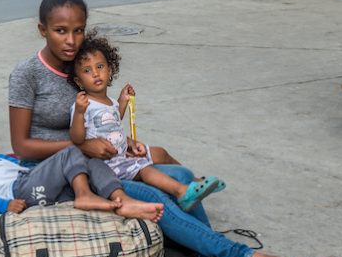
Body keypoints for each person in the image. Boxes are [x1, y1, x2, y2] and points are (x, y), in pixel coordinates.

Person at [8, 0, 334, 257]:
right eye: (60, 31)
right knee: (156, 196)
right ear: (42, 30)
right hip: (60, 173)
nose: (70, 41)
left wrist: (124, 142)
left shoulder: (83, 65)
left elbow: (102, 119)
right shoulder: (28, 74)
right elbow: (21, 146)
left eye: (78, 31)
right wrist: (86, 147)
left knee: (181, 174)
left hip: (102, 161)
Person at [69, 30, 225, 212]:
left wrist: (122, 101)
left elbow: (114, 120)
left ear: (109, 69)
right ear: (79, 81)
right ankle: (182, 192)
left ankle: (195, 181)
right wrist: (79, 113)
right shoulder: (83, 104)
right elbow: (77, 138)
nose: (96, 73)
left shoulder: (109, 101)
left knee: (161, 153)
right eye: (87, 71)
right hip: (109, 164)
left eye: (100, 67)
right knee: (146, 170)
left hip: (123, 154)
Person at [0, 140, 164, 221]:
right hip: (21, 191)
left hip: (35, 185)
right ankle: (84, 196)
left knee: (92, 163)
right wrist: (3, 206)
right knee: (73, 152)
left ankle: (122, 200)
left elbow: (26, 163)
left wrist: (0, 157)